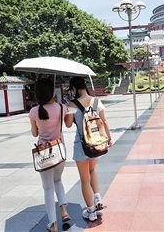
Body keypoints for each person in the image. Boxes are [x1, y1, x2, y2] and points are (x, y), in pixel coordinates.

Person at [65, 76, 112, 222]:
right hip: (96, 143)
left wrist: (68, 109)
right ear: (84, 86)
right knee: (92, 171)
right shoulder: (97, 101)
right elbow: (104, 121)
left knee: (84, 179)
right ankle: (97, 198)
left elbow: (67, 124)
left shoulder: (72, 104)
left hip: (81, 146)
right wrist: (109, 139)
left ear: (73, 88)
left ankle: (91, 211)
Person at [29, 78, 70, 232]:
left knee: (47, 188)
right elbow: (67, 122)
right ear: (52, 92)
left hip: (43, 152)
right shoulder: (61, 107)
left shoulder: (34, 111)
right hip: (60, 149)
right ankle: (64, 210)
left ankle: (52, 223)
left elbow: (34, 134)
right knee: (58, 180)